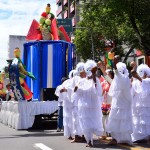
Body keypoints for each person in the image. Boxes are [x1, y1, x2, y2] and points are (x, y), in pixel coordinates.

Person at [75, 60, 103, 147]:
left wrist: (94, 74)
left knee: (93, 122)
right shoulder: (81, 81)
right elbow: (77, 93)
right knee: (85, 123)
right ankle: (89, 140)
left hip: (93, 105)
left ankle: (91, 139)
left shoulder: (96, 79)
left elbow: (98, 91)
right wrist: (76, 89)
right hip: (83, 106)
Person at [106, 55, 133, 145]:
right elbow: (111, 81)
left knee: (122, 122)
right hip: (117, 103)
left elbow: (116, 72)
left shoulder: (124, 78)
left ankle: (123, 139)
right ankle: (115, 138)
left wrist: (114, 63)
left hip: (122, 105)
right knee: (115, 121)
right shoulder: (118, 80)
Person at [131, 64, 150, 142]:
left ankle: (148, 136)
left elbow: (145, 84)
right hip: (137, 105)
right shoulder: (135, 83)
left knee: (146, 120)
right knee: (137, 121)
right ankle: (139, 137)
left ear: (146, 73)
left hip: (146, 104)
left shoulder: (148, 81)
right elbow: (132, 93)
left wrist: (136, 76)